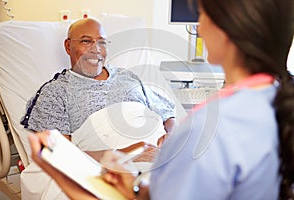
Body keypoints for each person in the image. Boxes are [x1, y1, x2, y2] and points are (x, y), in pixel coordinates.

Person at [28, 0, 294, 199]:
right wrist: (136, 183)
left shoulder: (208, 129)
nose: (199, 28)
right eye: (86, 41)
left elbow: (169, 118)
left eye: (202, 16)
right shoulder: (273, 100)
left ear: (226, 31)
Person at [21, 18, 176, 148]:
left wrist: (170, 138)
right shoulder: (56, 92)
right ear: (68, 46)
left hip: (161, 157)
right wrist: (126, 156)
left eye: (101, 43)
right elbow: (63, 155)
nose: (96, 50)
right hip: (115, 169)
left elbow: (167, 114)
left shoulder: (127, 77)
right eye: (86, 41)